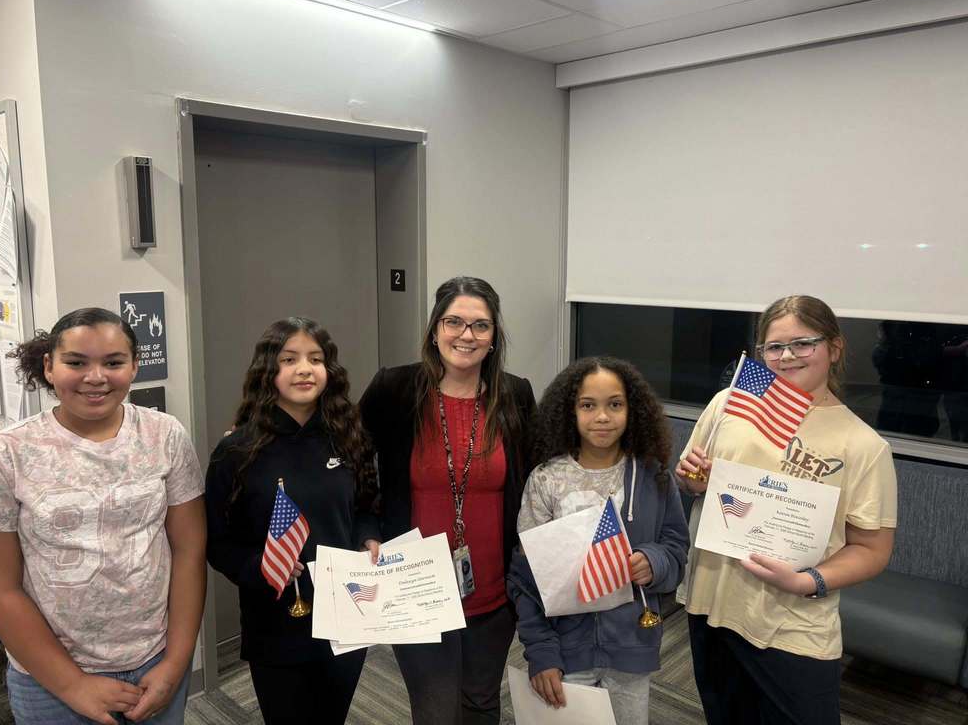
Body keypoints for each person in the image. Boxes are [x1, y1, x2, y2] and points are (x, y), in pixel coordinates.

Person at [0, 307, 206, 725]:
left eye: (113, 362)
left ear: (134, 367)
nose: (96, 377)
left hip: (156, 660)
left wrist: (177, 662)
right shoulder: (4, 456)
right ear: (50, 367)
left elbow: (189, 552)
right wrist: (72, 684)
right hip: (51, 676)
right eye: (77, 362)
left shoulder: (165, 435)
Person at [676, 295, 897, 725]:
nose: (786, 356)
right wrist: (692, 478)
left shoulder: (864, 445)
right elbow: (692, 483)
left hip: (793, 624)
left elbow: (872, 548)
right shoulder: (729, 404)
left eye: (803, 343)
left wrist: (807, 581)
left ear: (834, 348)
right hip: (711, 600)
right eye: (774, 347)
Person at [359, 276, 536, 725]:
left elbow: (540, 477)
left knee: (481, 705)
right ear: (435, 329)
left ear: (494, 337)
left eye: (480, 325)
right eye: (454, 321)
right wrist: (367, 530)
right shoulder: (394, 389)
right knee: (436, 712)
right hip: (417, 590)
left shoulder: (515, 396)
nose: (466, 335)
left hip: (494, 595)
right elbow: (348, 460)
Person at [205, 317, 379, 725]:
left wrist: (369, 536)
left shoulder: (350, 436)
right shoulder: (236, 450)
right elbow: (216, 540)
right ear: (269, 371)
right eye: (289, 359)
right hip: (276, 624)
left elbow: (368, 505)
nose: (304, 368)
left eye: (315, 359)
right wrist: (258, 568)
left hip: (347, 616)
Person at [508, 356, 688, 725]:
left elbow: (676, 549)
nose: (602, 417)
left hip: (631, 648)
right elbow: (527, 580)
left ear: (632, 410)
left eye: (615, 405)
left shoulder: (653, 476)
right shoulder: (546, 480)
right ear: (568, 411)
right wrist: (541, 651)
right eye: (588, 405)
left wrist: (653, 562)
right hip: (565, 649)